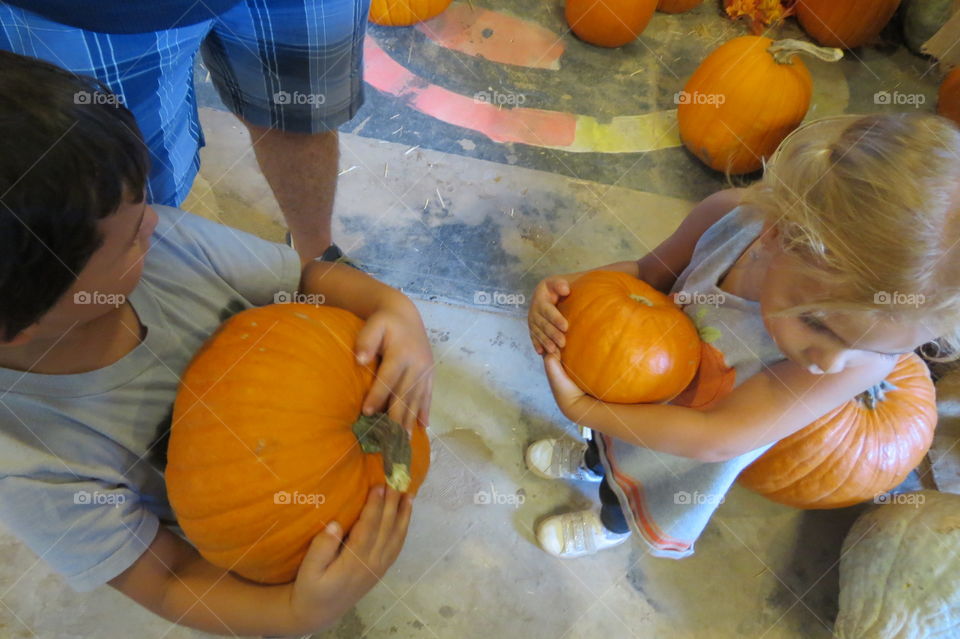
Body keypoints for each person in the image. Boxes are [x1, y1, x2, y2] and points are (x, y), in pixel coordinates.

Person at [0, 51, 433, 635]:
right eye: (128, 238)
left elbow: (302, 282)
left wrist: (391, 307)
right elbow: (170, 579)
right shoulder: (30, 462)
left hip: (332, 479)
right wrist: (296, 612)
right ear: (23, 325)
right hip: (247, 540)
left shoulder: (168, 245)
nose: (153, 221)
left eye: (142, 205)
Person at [525, 112, 960, 558]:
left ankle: (610, 524)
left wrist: (580, 406)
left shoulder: (849, 369)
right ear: (782, 233)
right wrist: (573, 290)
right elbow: (646, 274)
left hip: (678, 452)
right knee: (603, 443)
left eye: (878, 350)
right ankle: (591, 462)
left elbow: (717, 437)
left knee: (630, 494)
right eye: (816, 324)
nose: (829, 363)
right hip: (624, 399)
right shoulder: (729, 217)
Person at [0, 0, 370, 262]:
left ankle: (316, 255)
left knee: (302, 116)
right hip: (89, 10)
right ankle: (134, 311)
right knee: (122, 196)